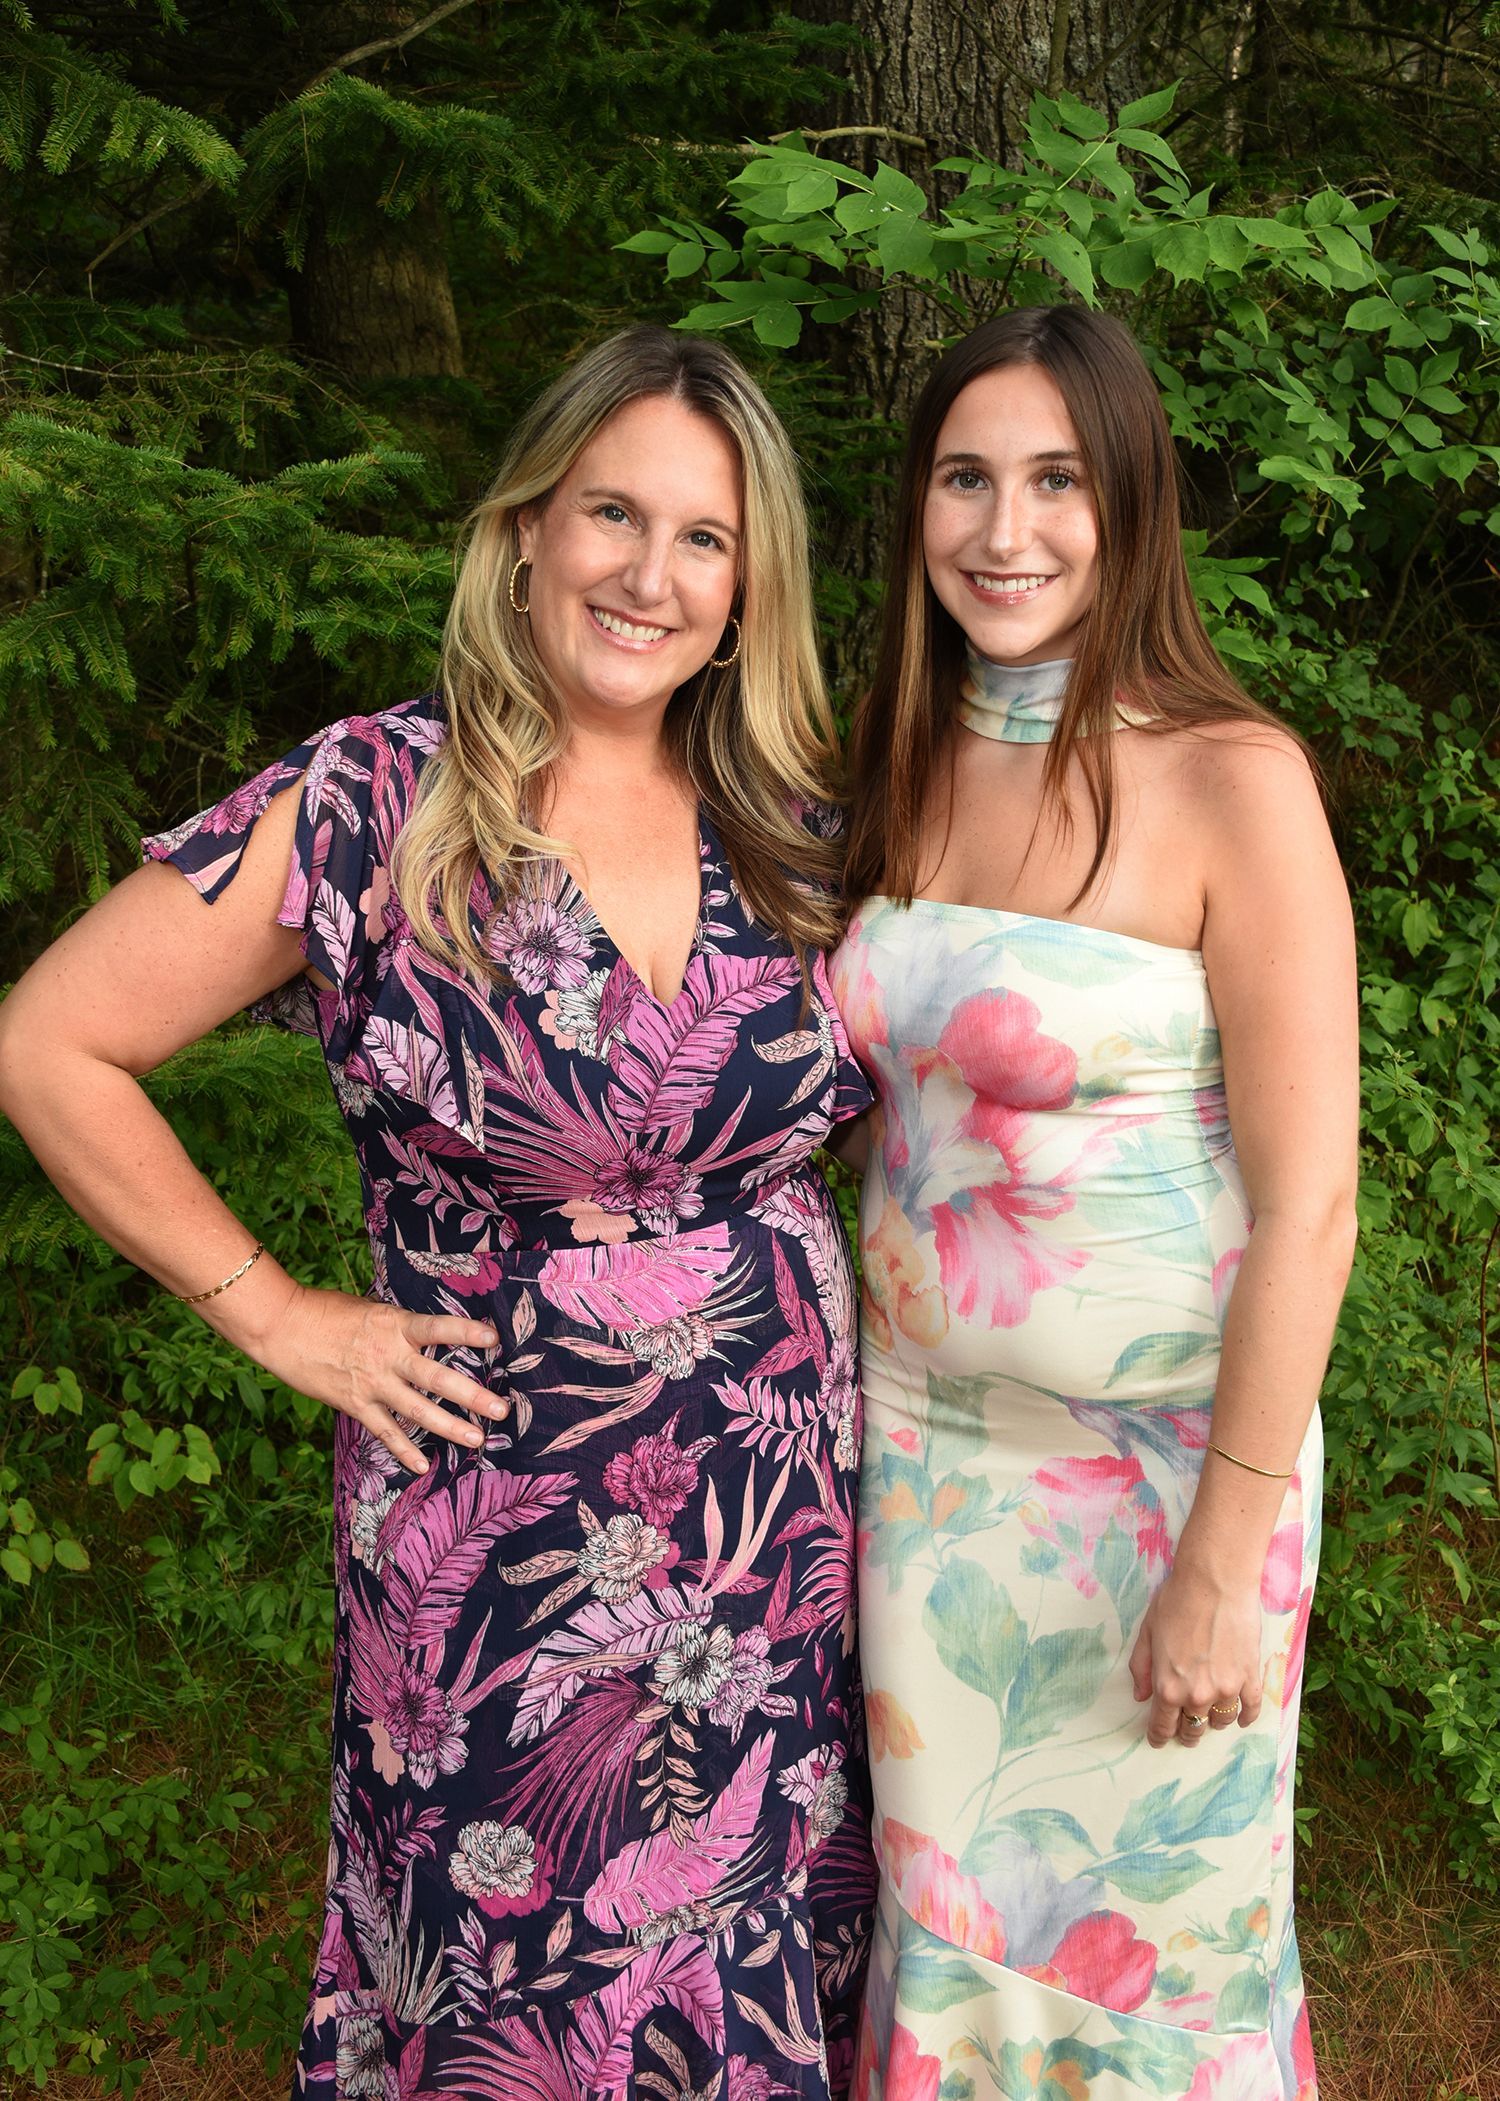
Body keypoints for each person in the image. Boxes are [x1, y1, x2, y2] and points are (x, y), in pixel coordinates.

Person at [0, 327, 876, 2099]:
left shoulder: (800, 819)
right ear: (528, 529)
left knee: (752, 1964)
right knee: (513, 2002)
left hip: (779, 1530)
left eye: (702, 538)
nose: (649, 573)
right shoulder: (371, 804)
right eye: (612, 515)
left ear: (749, 580)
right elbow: (50, 1042)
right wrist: (278, 1312)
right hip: (501, 1536)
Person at [829, 307, 1356, 2101]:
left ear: (1129, 506)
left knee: (1158, 1966)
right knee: (954, 1937)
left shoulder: (1235, 778)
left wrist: (1227, 1553)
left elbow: (1312, 1209)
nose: (1007, 529)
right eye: (967, 478)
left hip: (1168, 1497)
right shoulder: (887, 762)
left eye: (1057, 479)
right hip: (920, 1483)